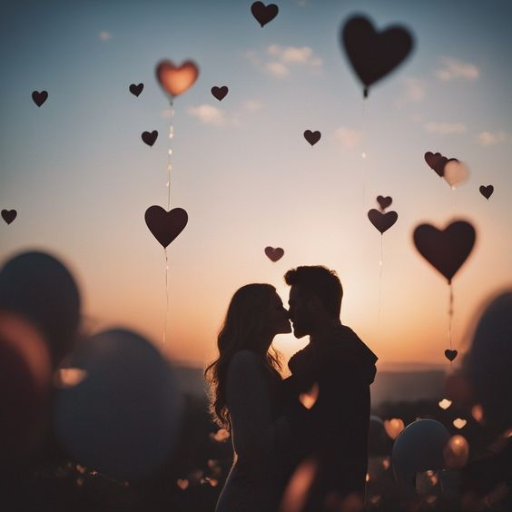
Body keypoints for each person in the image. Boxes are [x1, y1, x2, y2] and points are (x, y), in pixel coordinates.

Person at [283, 265, 378, 511]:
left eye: (294, 304)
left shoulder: (338, 362)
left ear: (314, 304)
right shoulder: (342, 354)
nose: (289, 313)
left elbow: (320, 438)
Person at [204, 283, 293, 512]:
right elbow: (254, 445)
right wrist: (298, 413)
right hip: (248, 500)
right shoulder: (245, 362)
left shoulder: (258, 362)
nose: (288, 312)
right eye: (278, 307)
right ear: (257, 315)